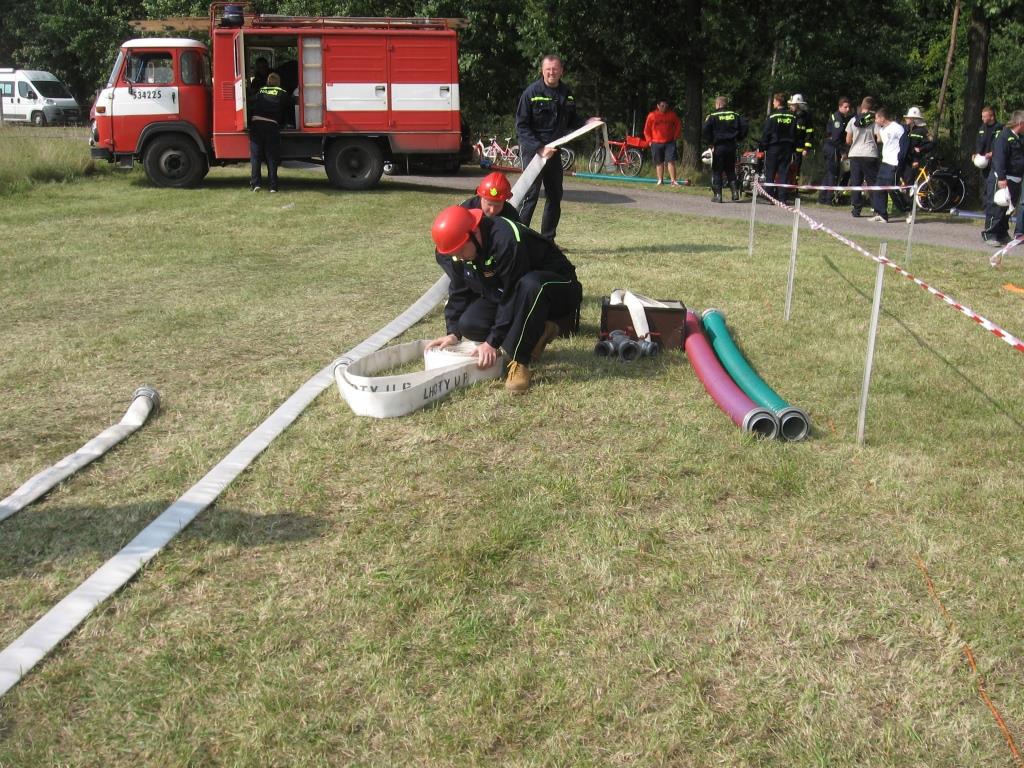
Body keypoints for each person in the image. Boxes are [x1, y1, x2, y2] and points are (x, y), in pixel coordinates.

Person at [428, 206, 582, 393]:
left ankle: (520, 361)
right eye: (454, 254)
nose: (459, 258)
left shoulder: (506, 240)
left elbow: (512, 293)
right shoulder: (463, 253)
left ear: (474, 233)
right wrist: (453, 332)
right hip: (514, 291)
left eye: (460, 251)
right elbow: (459, 289)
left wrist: (492, 342)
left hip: (559, 288)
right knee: (470, 324)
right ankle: (540, 329)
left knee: (530, 284)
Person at [514, 55, 598, 239]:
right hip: (534, 153)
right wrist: (539, 148)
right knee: (529, 196)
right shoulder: (531, 93)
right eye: (548, 69)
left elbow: (572, 119)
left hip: (554, 152)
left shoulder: (566, 93)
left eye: (555, 69)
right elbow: (521, 126)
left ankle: (547, 241)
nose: (551, 72)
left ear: (561, 71)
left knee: (554, 195)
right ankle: (518, 239)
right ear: (542, 71)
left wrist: (587, 122)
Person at [983, 109, 1024, 247]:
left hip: (1015, 179)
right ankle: (990, 234)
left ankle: (1002, 234)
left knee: (1007, 209)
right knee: (996, 207)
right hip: (1002, 179)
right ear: (1020, 123)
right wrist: (1001, 178)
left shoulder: (1019, 138)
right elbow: (999, 158)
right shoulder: (1004, 136)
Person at [248, 73, 292, 192]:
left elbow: (252, 102)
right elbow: (290, 104)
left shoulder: (261, 91)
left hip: (256, 124)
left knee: (256, 156)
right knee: (271, 156)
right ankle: (273, 186)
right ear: (279, 82)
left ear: (268, 82)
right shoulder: (282, 92)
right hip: (271, 125)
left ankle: (256, 184)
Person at [702, 95, 748, 202]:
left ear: (718, 104)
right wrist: (739, 138)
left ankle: (718, 196)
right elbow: (745, 126)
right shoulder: (735, 115)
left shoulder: (713, 116)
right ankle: (735, 193)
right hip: (731, 146)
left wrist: (710, 143)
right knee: (730, 169)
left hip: (719, 146)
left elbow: (705, 130)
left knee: (717, 170)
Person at [846, 96, 880, 218]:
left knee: (856, 182)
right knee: (872, 182)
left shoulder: (852, 120)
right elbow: (879, 138)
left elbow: (848, 140)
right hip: (870, 153)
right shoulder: (874, 120)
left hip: (855, 154)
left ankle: (856, 209)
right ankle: (876, 208)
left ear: (862, 106)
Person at [870, 107, 906, 222]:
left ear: (882, 118)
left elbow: (904, 143)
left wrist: (901, 158)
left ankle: (907, 210)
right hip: (885, 162)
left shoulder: (897, 128)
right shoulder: (882, 130)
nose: (875, 121)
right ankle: (882, 214)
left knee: (892, 189)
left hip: (894, 163)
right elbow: (881, 141)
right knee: (878, 187)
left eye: (877, 118)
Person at [759, 93, 797, 200]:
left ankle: (769, 196)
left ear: (778, 102)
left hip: (773, 148)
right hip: (787, 148)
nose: (773, 103)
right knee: (784, 173)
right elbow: (795, 133)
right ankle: (782, 198)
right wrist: (793, 148)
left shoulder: (772, 116)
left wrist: (762, 147)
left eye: (774, 101)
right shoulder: (792, 116)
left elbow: (766, 133)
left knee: (770, 173)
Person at [818, 97, 852, 204]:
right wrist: (843, 152)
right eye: (845, 107)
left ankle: (822, 198)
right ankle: (829, 199)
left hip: (830, 147)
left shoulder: (840, 117)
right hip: (833, 148)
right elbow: (836, 138)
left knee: (829, 173)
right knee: (833, 174)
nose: (848, 109)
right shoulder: (838, 118)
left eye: (848, 107)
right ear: (840, 107)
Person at [976, 106, 1002, 238]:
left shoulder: (1000, 128)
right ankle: (987, 211)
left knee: (993, 194)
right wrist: (975, 154)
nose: (982, 119)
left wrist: (992, 154)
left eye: (984, 116)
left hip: (995, 166)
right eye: (982, 116)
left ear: (991, 116)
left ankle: (993, 222)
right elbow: (978, 143)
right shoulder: (982, 128)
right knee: (986, 190)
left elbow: (1000, 146)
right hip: (983, 165)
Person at [644, 99, 682, 186]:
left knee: (671, 161)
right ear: (658, 106)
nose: (664, 107)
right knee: (659, 162)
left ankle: (673, 181)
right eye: (662, 106)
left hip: (670, 142)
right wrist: (649, 141)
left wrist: (676, 136)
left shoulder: (672, 115)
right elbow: (646, 130)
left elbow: (678, 124)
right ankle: (660, 180)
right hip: (656, 142)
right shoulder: (652, 115)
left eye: (665, 106)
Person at [787, 94, 814, 192]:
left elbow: (809, 133)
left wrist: (806, 148)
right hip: (788, 147)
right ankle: (785, 186)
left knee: (797, 167)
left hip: (799, 148)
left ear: (798, 105)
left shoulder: (806, 117)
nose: (790, 106)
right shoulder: (789, 115)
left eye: (792, 104)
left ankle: (794, 187)